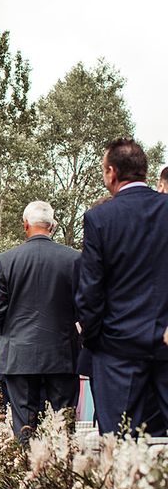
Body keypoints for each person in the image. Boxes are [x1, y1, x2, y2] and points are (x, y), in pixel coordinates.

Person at [76, 139, 168, 436]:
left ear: (112, 173)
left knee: (120, 443)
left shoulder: (100, 218)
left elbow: (90, 290)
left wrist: (93, 339)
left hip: (117, 349)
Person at [0, 201, 80, 442]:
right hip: (62, 352)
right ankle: (62, 472)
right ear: (53, 226)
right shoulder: (74, 259)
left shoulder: (6, 260)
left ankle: (28, 471)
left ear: (25, 224)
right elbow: (85, 306)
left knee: (24, 424)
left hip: (19, 354)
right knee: (63, 423)